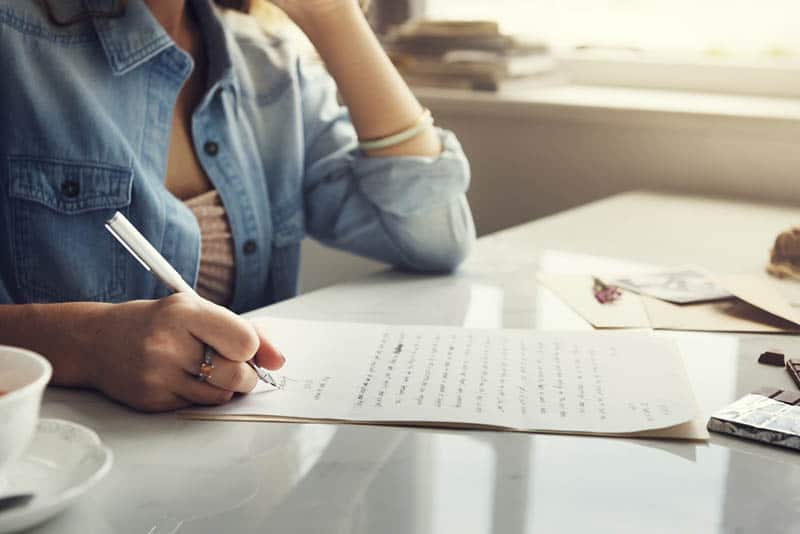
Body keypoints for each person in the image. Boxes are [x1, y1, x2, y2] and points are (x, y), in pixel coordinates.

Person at [0, 0, 475, 411]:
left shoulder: (267, 66)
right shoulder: (14, 42)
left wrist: (334, 16)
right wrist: (89, 345)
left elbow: (436, 237)